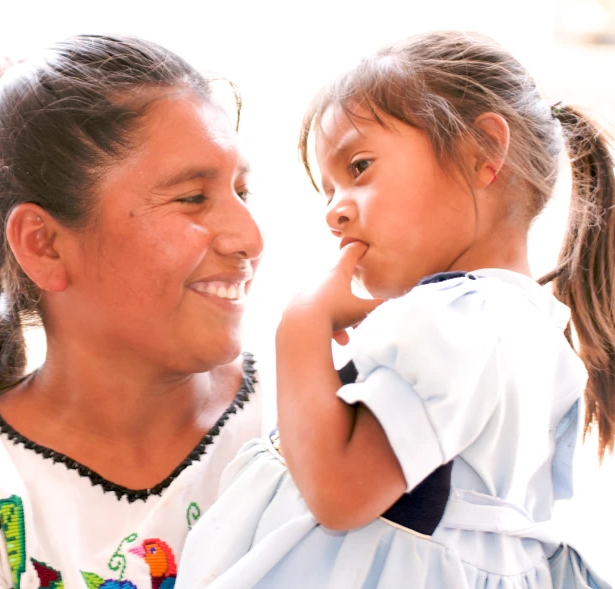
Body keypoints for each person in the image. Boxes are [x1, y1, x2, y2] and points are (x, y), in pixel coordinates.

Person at [176, 31, 614, 588]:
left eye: (358, 167)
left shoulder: (458, 317)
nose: (335, 212)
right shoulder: (512, 322)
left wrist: (301, 324)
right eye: (328, 191)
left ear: (484, 153)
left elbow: (339, 495)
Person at [0, 34, 263, 588]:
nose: (249, 237)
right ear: (44, 244)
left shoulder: (327, 415)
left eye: (242, 192)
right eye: (192, 198)